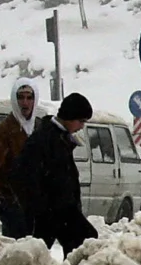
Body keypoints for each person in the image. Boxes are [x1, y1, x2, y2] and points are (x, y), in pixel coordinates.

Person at [8, 92, 98, 254]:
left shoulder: (60, 137)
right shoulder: (44, 139)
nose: (82, 126)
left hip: (61, 210)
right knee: (37, 254)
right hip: (49, 212)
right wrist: (40, 206)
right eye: (81, 121)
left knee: (83, 243)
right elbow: (23, 174)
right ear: (70, 117)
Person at [0, 77, 42, 238]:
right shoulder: (4, 131)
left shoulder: (40, 128)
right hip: (12, 204)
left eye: (29, 97)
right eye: (20, 97)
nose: (25, 102)